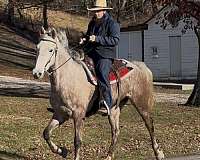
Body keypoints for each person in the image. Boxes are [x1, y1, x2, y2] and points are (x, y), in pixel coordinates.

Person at [80, 0, 120, 115]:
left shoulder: (112, 23)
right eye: (94, 11)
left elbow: (115, 40)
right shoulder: (92, 23)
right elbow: (89, 36)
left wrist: (97, 39)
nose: (96, 13)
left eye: (98, 11)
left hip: (105, 55)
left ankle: (106, 103)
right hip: (91, 52)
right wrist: (84, 39)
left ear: (104, 11)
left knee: (102, 73)